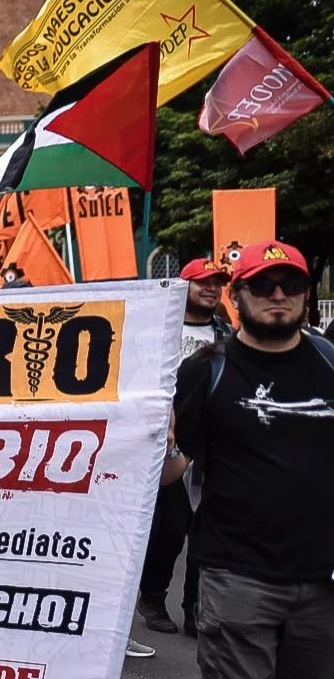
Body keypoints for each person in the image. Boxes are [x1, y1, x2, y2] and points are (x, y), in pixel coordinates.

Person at [167, 240, 334, 679]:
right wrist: (145, 448)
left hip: (321, 579)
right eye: (263, 286)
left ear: (304, 295)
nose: (277, 296)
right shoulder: (208, 372)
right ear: (238, 298)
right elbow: (177, 465)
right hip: (235, 573)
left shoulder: (329, 366)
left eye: (289, 285)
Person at [137, 260, 235, 637]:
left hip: (213, 442)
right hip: (168, 442)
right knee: (171, 525)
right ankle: (153, 594)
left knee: (206, 526)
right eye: (202, 282)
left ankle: (195, 609)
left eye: (216, 283)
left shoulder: (227, 333)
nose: (210, 289)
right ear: (184, 286)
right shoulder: (160, 330)